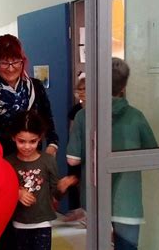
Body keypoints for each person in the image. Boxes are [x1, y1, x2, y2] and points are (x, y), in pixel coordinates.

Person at [0, 34, 60, 250]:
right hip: (1, 167)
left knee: (33, 219)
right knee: (6, 226)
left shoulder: (36, 87)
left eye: (15, 61)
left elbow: (48, 122)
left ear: (23, 60)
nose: (10, 67)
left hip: (32, 166)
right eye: (4, 61)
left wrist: (51, 146)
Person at [65, 58, 158, 249]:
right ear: (123, 86)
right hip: (128, 201)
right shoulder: (136, 116)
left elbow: (72, 160)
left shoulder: (83, 115)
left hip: (95, 198)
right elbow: (153, 156)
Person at [5, 110, 76, 250]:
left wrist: (62, 187)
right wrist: (17, 193)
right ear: (13, 137)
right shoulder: (8, 163)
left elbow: (56, 194)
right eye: (21, 141)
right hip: (18, 223)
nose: (27, 146)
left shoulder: (48, 161)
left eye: (33, 141)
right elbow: (2, 194)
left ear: (40, 138)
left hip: (43, 224)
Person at [61, 74, 86, 222]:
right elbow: (73, 132)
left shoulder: (98, 110)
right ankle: (77, 209)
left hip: (89, 150)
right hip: (76, 150)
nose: (82, 92)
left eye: (85, 89)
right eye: (79, 89)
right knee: (73, 176)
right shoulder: (76, 110)